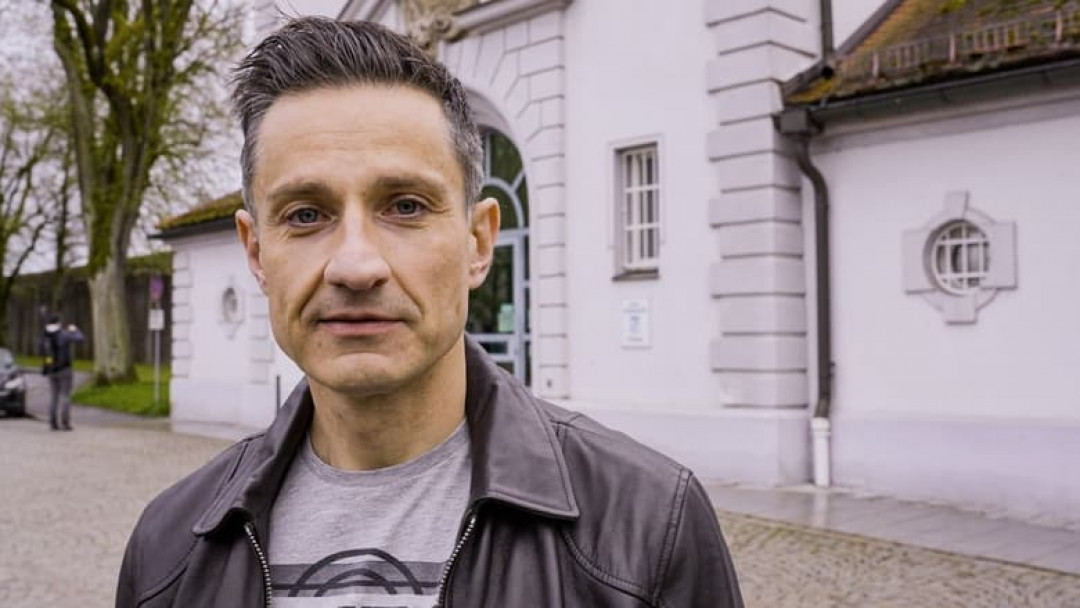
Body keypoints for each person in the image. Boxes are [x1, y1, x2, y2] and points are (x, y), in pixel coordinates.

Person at [116, 17, 742, 608]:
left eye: (406, 206)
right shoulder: (168, 551)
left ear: (478, 243)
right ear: (256, 253)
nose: (356, 265)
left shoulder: (650, 528)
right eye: (306, 214)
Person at [42, 315, 84, 431]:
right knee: (65, 396)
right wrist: (75, 330)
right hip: (64, 369)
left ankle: (53, 422)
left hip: (51, 370)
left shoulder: (45, 335)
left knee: (53, 397)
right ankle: (65, 423)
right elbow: (80, 339)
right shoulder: (63, 334)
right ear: (58, 323)